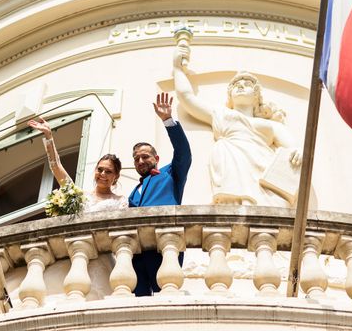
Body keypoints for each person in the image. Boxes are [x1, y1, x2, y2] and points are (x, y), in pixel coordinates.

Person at [172, 44, 301, 206]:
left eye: (247, 84)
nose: (240, 86)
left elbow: (293, 148)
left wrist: (299, 152)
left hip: (264, 174)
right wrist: (177, 69)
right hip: (231, 168)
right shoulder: (221, 114)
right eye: (235, 85)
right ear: (230, 96)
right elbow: (187, 98)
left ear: (256, 96)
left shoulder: (269, 125)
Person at [129, 92, 192, 296]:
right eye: (136, 158)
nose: (140, 161)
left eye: (145, 156)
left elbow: (183, 152)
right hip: (137, 255)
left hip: (164, 247)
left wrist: (167, 120)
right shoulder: (133, 192)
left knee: (166, 291)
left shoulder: (170, 173)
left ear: (156, 158)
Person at [28, 117, 127, 212]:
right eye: (100, 169)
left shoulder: (120, 201)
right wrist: (48, 134)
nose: (103, 174)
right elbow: (56, 166)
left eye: (108, 171)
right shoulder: (79, 195)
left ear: (116, 176)